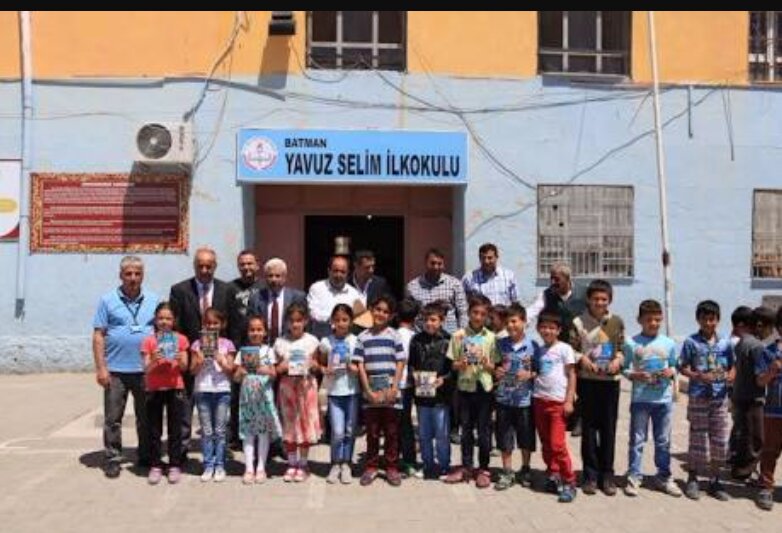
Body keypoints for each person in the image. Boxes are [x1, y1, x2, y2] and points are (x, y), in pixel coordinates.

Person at [169, 247, 239, 463]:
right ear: (195, 266)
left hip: (219, 361)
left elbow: (234, 326)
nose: (205, 270)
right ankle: (180, 450)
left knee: (220, 410)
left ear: (215, 266)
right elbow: (175, 326)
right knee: (184, 408)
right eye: (201, 265)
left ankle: (220, 451)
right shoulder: (179, 290)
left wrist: (231, 357)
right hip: (191, 357)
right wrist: (183, 355)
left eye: (209, 266)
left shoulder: (227, 290)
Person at [92, 255, 158, 478]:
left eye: (137, 274)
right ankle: (112, 458)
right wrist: (101, 368)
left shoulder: (154, 299)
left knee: (146, 417)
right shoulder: (107, 300)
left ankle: (146, 456)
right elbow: (99, 335)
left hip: (144, 370)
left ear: (143, 275)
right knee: (113, 419)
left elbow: (162, 332)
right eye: (128, 274)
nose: (132, 278)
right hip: (116, 371)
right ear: (120, 275)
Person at [570, 279, 625, 496]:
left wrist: (617, 361)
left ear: (609, 300)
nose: (599, 303)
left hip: (610, 383)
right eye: (596, 299)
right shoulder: (578, 322)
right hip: (588, 382)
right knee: (589, 430)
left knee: (609, 429)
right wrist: (583, 359)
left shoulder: (616, 322)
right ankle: (590, 475)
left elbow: (621, 348)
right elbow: (572, 349)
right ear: (588, 300)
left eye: (604, 299)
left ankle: (607, 475)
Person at [621, 299, 682, 497]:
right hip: (640, 400)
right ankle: (634, 477)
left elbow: (675, 365)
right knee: (637, 440)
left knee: (663, 440)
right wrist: (635, 375)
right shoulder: (631, 343)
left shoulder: (669, 343)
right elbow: (624, 368)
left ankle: (663, 477)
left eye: (657, 319)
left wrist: (670, 371)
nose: (653, 323)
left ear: (662, 319)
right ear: (640, 320)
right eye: (649, 320)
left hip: (663, 401)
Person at [678, 300, 734, 501]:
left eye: (712, 319)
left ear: (718, 320)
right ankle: (692, 478)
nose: (708, 323)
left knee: (720, 440)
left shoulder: (726, 342)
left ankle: (715, 480)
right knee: (698, 438)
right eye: (704, 319)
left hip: (720, 398)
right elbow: (682, 367)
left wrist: (731, 375)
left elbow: (733, 366)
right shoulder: (691, 342)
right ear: (698, 320)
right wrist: (698, 376)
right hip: (699, 396)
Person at [444, 294, 499, 489]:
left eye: (482, 314)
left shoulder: (491, 337)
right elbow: (452, 365)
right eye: (475, 312)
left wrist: (487, 364)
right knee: (466, 429)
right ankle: (467, 466)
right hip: (465, 388)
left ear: (487, 316)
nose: (478, 317)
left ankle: (483, 468)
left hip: (484, 388)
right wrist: (462, 363)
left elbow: (496, 368)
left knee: (484, 431)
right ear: (468, 313)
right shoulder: (458, 336)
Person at [354, 295, 406, 487]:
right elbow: (359, 365)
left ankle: (391, 467)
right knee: (373, 432)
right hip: (371, 395)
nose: (381, 314)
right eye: (378, 309)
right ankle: (371, 466)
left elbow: (401, 361)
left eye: (385, 311)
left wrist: (395, 388)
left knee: (392, 433)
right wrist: (367, 390)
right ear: (370, 310)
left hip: (391, 394)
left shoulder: (394, 335)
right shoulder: (363, 337)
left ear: (391, 315)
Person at [140, 302, 189, 485]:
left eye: (168, 318)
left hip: (175, 387)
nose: (164, 322)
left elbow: (184, 366)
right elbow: (145, 368)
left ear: (174, 320)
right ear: (155, 319)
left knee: (175, 428)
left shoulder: (181, 339)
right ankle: (156, 464)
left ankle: (174, 464)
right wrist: (153, 360)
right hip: (154, 388)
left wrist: (179, 358)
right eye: (161, 318)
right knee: (154, 429)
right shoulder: (149, 340)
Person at [273, 302, 322, 483]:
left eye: (299, 320)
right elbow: (275, 369)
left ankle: (303, 463)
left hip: (306, 388)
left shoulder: (312, 341)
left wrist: (313, 364)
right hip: (287, 388)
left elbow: (319, 367)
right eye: (291, 321)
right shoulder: (280, 343)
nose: (295, 324)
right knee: (290, 426)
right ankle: (291, 463)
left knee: (305, 426)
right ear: (286, 322)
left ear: (305, 321)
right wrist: (282, 366)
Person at [533, 311, 578, 503]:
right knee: (545, 442)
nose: (547, 331)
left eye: (552, 328)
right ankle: (553, 474)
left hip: (558, 403)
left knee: (557, 444)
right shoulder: (538, 350)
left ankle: (569, 481)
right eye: (544, 327)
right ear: (538, 329)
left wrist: (569, 400)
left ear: (559, 330)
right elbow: (537, 372)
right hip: (539, 400)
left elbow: (572, 375)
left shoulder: (565, 349)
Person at [493, 303, 538, 491]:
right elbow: (494, 367)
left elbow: (539, 370)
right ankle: (507, 471)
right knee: (504, 436)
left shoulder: (533, 346)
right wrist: (497, 371)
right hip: (504, 399)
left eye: (515, 321)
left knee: (526, 436)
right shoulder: (500, 344)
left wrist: (529, 375)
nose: (511, 325)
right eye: (507, 322)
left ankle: (526, 469)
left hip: (524, 400)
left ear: (524, 322)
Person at [233, 315, 281, 485]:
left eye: (259, 329)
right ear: (247, 332)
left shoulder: (269, 351)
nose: (255, 333)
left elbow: (274, 374)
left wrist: (264, 370)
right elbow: (236, 377)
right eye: (252, 330)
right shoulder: (242, 352)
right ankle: (248, 468)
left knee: (262, 433)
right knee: (248, 433)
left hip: (264, 398)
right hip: (247, 398)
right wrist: (241, 372)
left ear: (265, 332)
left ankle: (261, 466)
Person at [190, 307, 236, 482]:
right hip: (203, 390)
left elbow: (231, 369)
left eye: (215, 323)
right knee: (207, 431)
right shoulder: (197, 344)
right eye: (208, 323)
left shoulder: (228, 344)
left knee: (220, 430)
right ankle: (208, 465)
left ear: (222, 324)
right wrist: (199, 361)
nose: (211, 326)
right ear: (203, 325)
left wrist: (220, 359)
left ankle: (220, 465)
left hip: (222, 390)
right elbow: (192, 370)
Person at [408, 303, 453, 480]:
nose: (429, 323)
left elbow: (454, 368)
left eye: (433, 320)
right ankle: (428, 464)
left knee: (442, 433)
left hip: (441, 396)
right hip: (422, 395)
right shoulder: (416, 340)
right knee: (424, 433)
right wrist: (413, 374)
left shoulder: (448, 340)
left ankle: (444, 466)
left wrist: (445, 379)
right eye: (426, 319)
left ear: (442, 321)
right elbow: (411, 363)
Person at [318, 304, 360, 485]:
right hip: (334, 392)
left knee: (350, 431)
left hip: (352, 392)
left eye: (345, 319)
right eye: (337, 320)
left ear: (350, 321)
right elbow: (317, 362)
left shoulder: (355, 341)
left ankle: (346, 464)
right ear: (332, 322)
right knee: (337, 431)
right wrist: (324, 369)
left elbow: (361, 366)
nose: (341, 323)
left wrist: (354, 368)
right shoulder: (326, 342)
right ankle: (335, 463)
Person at [229, 249, 264, 450]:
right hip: (237, 346)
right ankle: (236, 435)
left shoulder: (264, 286)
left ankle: (263, 433)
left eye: (250, 263)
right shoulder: (230, 288)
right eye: (242, 264)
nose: (246, 267)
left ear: (257, 265)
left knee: (260, 391)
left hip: (258, 346)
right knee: (237, 393)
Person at [730, 306, 768, 481]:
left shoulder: (741, 342)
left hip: (740, 394)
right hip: (752, 397)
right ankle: (745, 471)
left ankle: (739, 466)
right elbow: (760, 378)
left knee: (743, 433)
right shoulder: (757, 346)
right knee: (755, 438)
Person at [754, 306, 782, 510]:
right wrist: (772, 371)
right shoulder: (768, 351)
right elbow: (760, 382)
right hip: (773, 411)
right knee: (770, 450)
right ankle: (766, 487)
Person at [406, 248, 468, 334]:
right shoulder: (412, 287)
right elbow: (409, 314)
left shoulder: (454, 284)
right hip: (422, 339)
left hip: (449, 337)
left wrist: (462, 333)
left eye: (439, 264)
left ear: (444, 264)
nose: (436, 267)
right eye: (432, 263)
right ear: (425, 263)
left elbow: (463, 312)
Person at [249, 257, 307, 346]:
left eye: (277, 276)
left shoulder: (298, 297)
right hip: (263, 347)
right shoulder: (256, 298)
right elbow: (251, 324)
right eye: (270, 276)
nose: (274, 279)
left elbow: (305, 324)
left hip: (289, 345)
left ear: (285, 277)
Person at [308, 255, 363, 339]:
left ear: (348, 273)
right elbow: (312, 313)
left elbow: (358, 317)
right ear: (329, 271)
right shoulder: (317, 288)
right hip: (320, 342)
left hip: (344, 344)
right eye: (335, 271)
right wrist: (335, 319)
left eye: (342, 272)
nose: (338, 275)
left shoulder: (354, 294)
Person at [396, 298, 420, 478]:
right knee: (407, 425)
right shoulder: (416, 337)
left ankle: (400, 459)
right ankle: (409, 460)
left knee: (400, 423)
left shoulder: (393, 335)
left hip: (399, 383)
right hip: (414, 383)